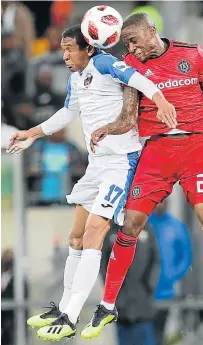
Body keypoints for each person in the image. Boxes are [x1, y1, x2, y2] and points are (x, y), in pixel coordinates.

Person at [85, 12, 203, 338]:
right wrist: (108, 129)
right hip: (156, 151)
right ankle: (107, 305)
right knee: (129, 224)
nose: (131, 48)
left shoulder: (193, 54)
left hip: (195, 147)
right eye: (126, 44)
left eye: (133, 40)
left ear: (151, 31)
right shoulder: (131, 66)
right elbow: (128, 117)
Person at [7, 24, 176, 341]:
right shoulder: (75, 78)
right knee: (75, 237)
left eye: (70, 48)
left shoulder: (103, 62)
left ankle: (71, 316)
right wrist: (30, 133)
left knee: (95, 232)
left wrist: (160, 99)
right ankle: (62, 308)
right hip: (97, 165)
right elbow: (66, 114)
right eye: (63, 47)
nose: (65, 54)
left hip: (119, 164)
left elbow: (137, 78)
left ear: (89, 48)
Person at [100, 222, 160, 345]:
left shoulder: (147, 230)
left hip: (143, 303)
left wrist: (149, 285)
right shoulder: (112, 232)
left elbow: (155, 260)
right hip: (121, 305)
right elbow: (103, 263)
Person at [148, 200, 192, 345]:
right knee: (144, 332)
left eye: (163, 200)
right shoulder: (145, 224)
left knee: (160, 331)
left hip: (166, 290)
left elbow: (185, 255)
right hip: (145, 290)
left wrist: (173, 274)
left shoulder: (176, 226)